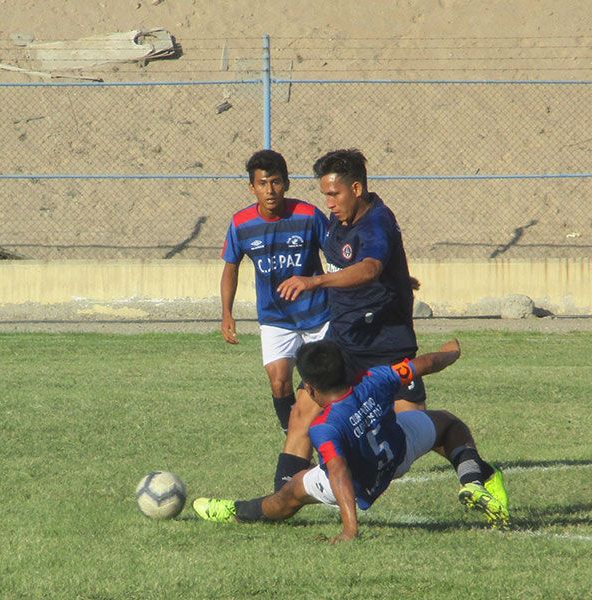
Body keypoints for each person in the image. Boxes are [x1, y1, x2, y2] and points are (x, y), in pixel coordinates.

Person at [193, 338, 510, 542]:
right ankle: (472, 479)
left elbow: (339, 472)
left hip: (359, 481)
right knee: (447, 424)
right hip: (398, 452)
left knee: (286, 497)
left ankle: (233, 510)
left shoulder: (324, 427)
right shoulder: (376, 378)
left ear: (310, 387)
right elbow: (424, 365)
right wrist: (452, 352)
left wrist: (350, 529)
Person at [273, 149, 425, 487]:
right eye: (324, 194)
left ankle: (473, 470)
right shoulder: (339, 220)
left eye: (333, 193)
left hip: (386, 342)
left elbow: (370, 268)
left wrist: (314, 281)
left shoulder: (377, 222)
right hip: (343, 340)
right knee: (302, 414)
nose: (328, 202)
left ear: (356, 189)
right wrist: (399, 278)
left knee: (417, 428)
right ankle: (282, 497)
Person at [220, 149, 332, 490]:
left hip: (318, 316)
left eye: (276, 182)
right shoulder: (241, 224)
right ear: (252, 188)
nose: (270, 190)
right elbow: (231, 268)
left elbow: (338, 255)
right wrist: (227, 313)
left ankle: (329, 444)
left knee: (323, 386)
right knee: (279, 382)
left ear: (286, 183)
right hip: (275, 319)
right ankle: (296, 440)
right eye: (262, 183)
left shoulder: (310, 215)